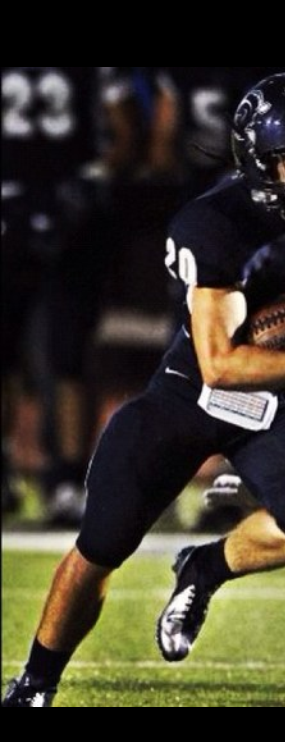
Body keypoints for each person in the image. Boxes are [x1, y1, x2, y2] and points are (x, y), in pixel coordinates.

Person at [2, 71, 285, 707]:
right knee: (101, 541)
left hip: (284, 403)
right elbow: (221, 366)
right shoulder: (217, 224)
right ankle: (37, 683)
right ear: (256, 163)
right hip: (192, 394)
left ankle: (205, 568)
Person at [1, 66, 139, 524]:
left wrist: (87, 186)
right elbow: (125, 133)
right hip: (58, 210)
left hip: (64, 219)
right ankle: (52, 478)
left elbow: (124, 133)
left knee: (68, 353)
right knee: (57, 356)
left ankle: (67, 478)